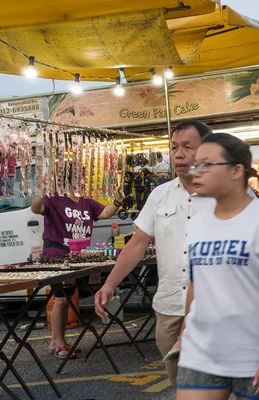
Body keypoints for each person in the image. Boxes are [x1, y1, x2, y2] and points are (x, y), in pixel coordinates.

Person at [173, 133, 259, 400]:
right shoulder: (197, 223)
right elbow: (196, 285)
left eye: (206, 165)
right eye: (195, 165)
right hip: (201, 351)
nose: (195, 172)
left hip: (255, 352)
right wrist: (183, 334)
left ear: (236, 170)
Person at [94, 120, 215, 387]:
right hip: (170, 304)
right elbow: (137, 243)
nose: (179, 154)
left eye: (187, 147)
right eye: (174, 147)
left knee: (209, 383)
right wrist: (110, 283)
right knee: (179, 380)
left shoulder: (226, 192)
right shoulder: (160, 195)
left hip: (213, 305)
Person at [31, 174, 122, 359]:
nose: (81, 180)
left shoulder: (85, 200)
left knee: (66, 298)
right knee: (61, 299)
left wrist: (118, 201)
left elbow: (104, 213)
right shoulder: (54, 197)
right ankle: (57, 343)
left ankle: (57, 341)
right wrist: (39, 191)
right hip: (58, 256)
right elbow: (36, 208)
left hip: (75, 257)